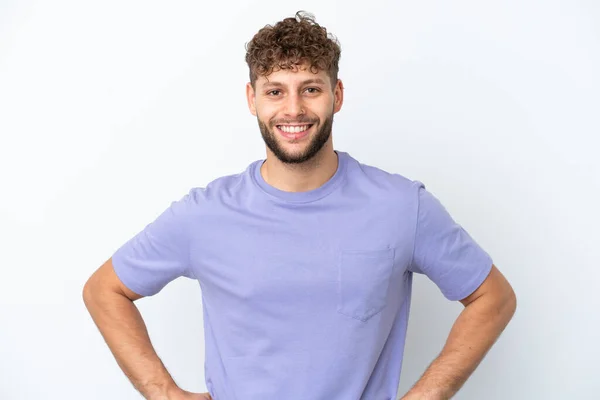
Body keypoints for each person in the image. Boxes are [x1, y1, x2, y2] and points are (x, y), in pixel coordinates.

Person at [83, 11, 516, 400]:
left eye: (310, 89)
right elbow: (105, 290)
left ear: (337, 95)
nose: (293, 109)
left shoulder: (402, 206)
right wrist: (164, 393)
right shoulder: (204, 216)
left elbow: (492, 297)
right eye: (275, 91)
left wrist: (428, 396)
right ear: (252, 99)